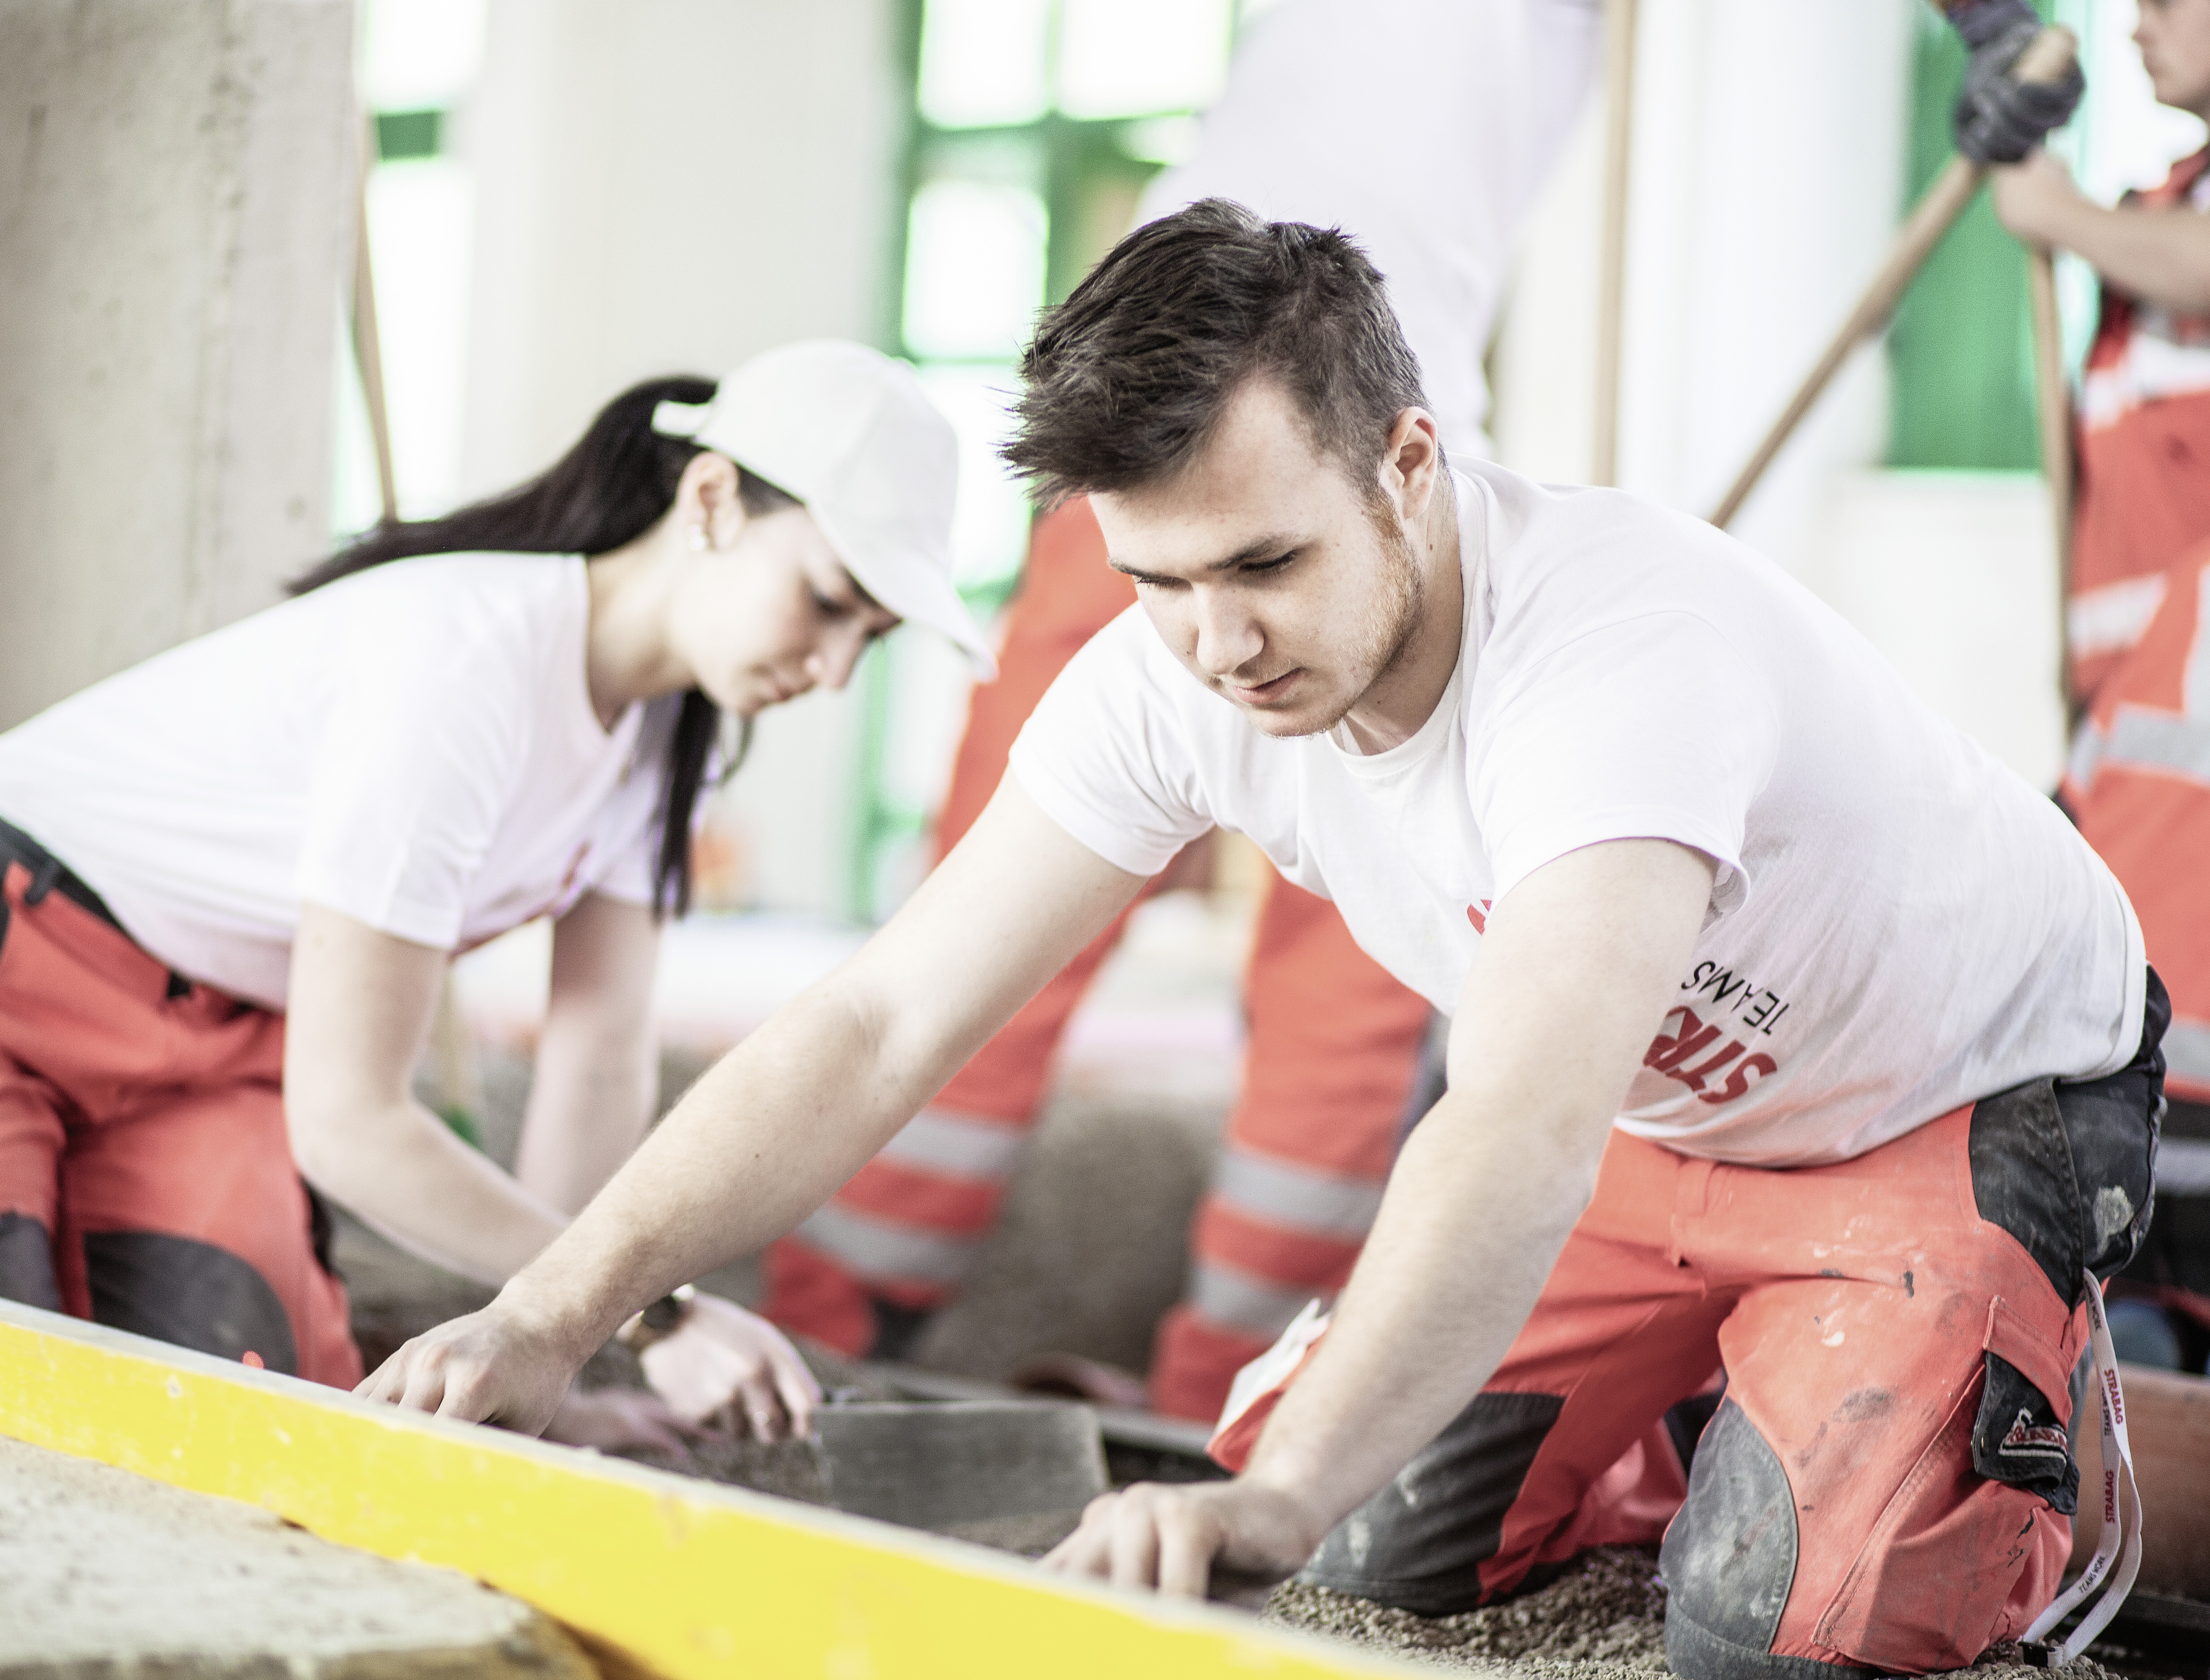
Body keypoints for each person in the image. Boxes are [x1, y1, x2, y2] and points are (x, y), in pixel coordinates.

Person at [359, 203, 2160, 1676]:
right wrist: (557, 1309)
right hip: (1658, 1139)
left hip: (1958, 1106)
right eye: (1158, 583)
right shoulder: (1169, 674)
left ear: (1408, 464)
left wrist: (1280, 1486)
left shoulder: (1617, 661)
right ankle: (1725, 1406)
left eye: (1264, 569)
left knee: (1790, 1636)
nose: (1215, 647)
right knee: (1353, 1557)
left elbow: (1516, 1126)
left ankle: (1972, 1414)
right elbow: (879, 1027)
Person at [766, 0, 2091, 1423]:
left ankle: (1234, 1399)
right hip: (1189, 417)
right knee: (1022, 898)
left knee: (1359, 973)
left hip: (1353, 425)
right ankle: (870, 1332)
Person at [0, 341, 992, 1448]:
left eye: (870, 639)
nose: (833, 672)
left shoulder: (673, 742)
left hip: (221, 1046)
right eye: (829, 602)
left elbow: (598, 1060)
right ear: (713, 499)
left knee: (274, 1421)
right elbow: (350, 1119)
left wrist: (559, 1363)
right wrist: (655, 1319)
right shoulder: (465, 665)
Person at [1994, 0, 2210, 1372]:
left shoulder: (2148, 232)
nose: (2137, 17)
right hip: (2129, 775)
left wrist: (2055, 210)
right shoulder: (2162, 210)